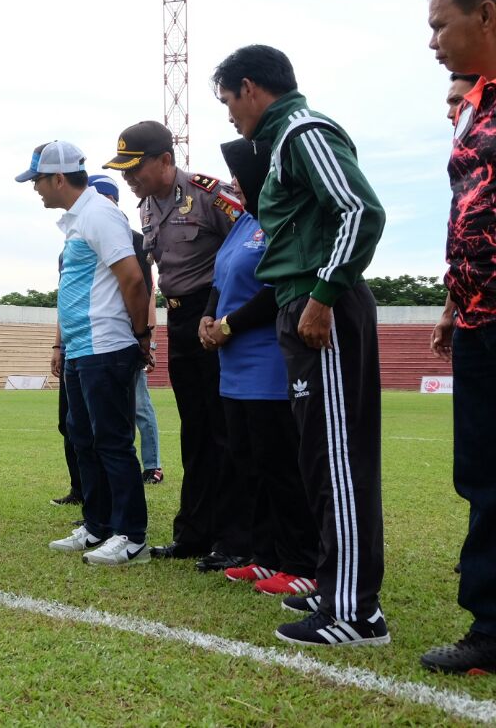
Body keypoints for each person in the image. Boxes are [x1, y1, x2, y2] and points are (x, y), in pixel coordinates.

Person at [212, 43, 388, 647]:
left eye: (229, 101)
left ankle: (356, 612)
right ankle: (336, 585)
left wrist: (323, 294)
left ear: (250, 87)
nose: (231, 116)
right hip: (301, 304)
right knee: (320, 456)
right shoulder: (284, 140)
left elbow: (361, 209)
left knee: (337, 460)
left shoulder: (302, 130)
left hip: (320, 308)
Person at [102, 120, 242, 569]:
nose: (129, 178)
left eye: (134, 168)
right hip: (179, 318)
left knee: (223, 431)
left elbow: (247, 246)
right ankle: (194, 533)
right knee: (195, 431)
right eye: (123, 170)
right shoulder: (145, 208)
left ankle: (230, 536)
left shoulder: (210, 194)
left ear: (165, 160)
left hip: (215, 316)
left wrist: (220, 314)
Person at [198, 139, 320, 598]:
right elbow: (220, 277)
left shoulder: (278, 219)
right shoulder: (243, 222)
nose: (232, 186)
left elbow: (276, 291)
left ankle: (302, 562)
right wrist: (208, 319)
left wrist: (229, 324)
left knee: (281, 466)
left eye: (238, 177)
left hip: (267, 361)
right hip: (233, 366)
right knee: (249, 465)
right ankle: (265, 556)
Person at [22, 141, 153, 566]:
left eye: (38, 180)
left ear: (58, 178)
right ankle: (97, 524)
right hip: (82, 347)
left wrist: (140, 337)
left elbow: (133, 280)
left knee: (112, 442)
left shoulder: (100, 215)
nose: (36, 188)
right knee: (82, 439)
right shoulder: (80, 219)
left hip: (106, 345)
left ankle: (131, 536)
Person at [421, 0, 496, 674]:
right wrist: (452, 302)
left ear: (487, 13)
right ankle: (491, 627)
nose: (433, 40)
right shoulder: (474, 108)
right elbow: (469, 218)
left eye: (441, 25)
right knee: (482, 474)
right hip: (479, 320)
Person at [87, 175, 164, 485]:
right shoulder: (86, 234)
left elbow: (145, 290)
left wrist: (149, 339)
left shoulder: (133, 239)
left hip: (130, 337)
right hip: (101, 337)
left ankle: (152, 465)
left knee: (141, 407)